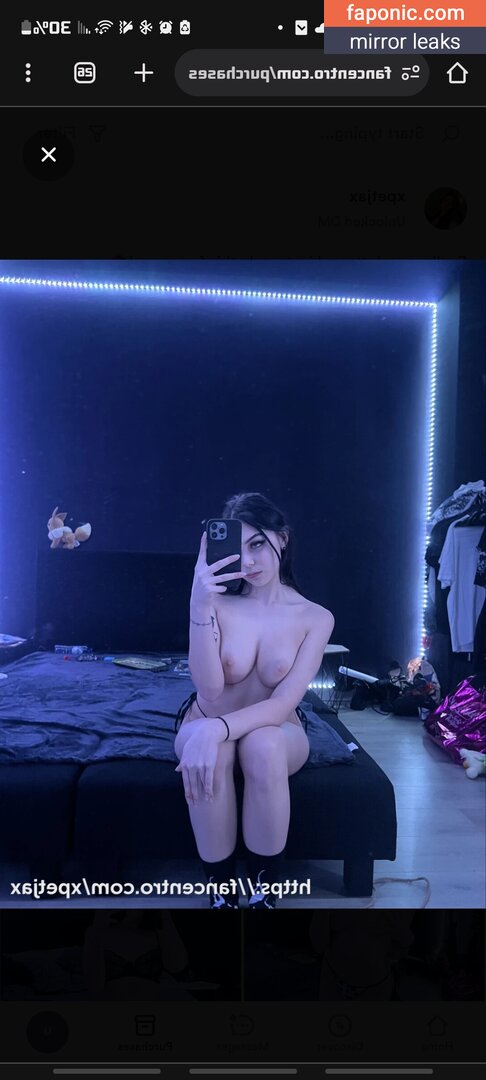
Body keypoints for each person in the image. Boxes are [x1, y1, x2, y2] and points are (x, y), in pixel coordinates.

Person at [174, 492, 334, 909]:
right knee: (215, 752)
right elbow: (210, 690)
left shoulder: (316, 618)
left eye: (257, 544)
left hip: (275, 730)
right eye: (238, 548)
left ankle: (266, 895)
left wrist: (217, 729)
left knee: (262, 745)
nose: (248, 561)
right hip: (206, 719)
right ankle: (222, 894)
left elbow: (283, 704)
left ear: (282, 538)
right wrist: (198, 603)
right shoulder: (217, 604)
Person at [82, 910, 193, 1000]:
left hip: (151, 1009)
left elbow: (177, 966)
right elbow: (94, 987)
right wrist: (97, 931)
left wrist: (163, 913)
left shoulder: (157, 931)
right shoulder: (98, 931)